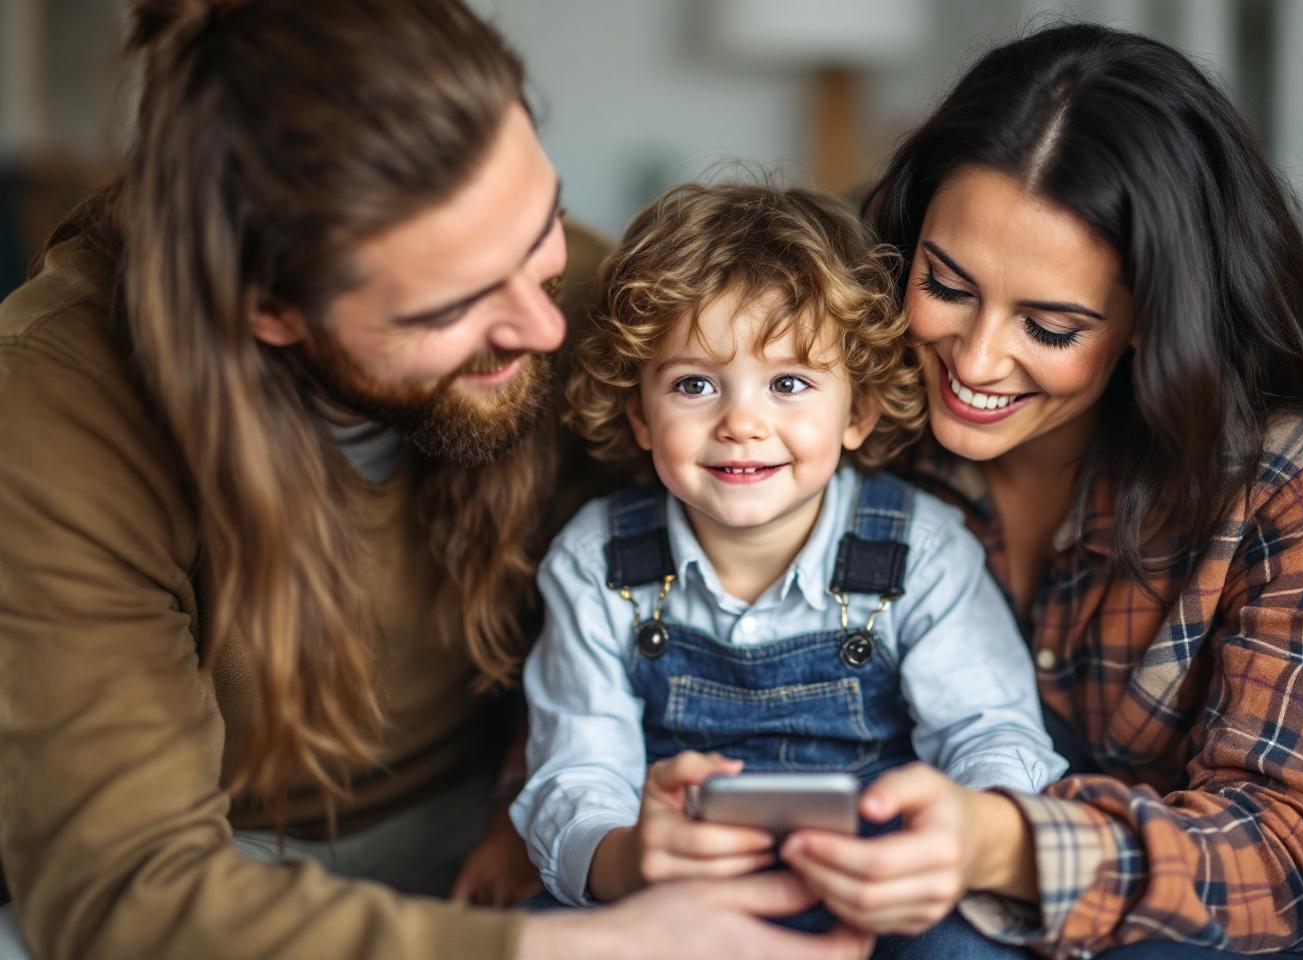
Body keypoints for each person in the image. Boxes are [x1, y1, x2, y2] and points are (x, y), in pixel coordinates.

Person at [0, 3, 873, 959]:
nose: (545, 328)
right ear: (273, 309)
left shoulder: (578, 299)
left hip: (512, 817)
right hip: (226, 866)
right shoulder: (53, 406)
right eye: (453, 303)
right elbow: (126, 892)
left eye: (539, 225)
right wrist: (596, 948)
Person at [781, 21, 1303, 960]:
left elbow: (1288, 854)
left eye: (1050, 327)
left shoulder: (1299, 481)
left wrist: (1005, 842)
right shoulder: (854, 407)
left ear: (1151, 322)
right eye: (947, 283)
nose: (973, 362)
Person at [508, 181, 1067, 958]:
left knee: (970, 947)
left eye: (789, 383)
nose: (741, 422)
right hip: (680, 894)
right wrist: (627, 859)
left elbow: (991, 734)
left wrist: (955, 842)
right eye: (694, 385)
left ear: (857, 413)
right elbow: (578, 773)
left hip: (877, 888)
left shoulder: (923, 551)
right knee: (530, 938)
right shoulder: (596, 562)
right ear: (639, 413)